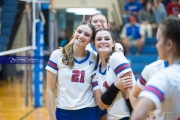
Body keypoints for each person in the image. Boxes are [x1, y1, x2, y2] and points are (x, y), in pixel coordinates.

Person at [46, 22, 100, 120]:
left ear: (91, 40)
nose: (81, 36)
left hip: (89, 112)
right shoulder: (57, 55)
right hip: (63, 112)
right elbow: (50, 89)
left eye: (87, 35)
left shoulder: (95, 59)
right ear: (74, 33)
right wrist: (52, 118)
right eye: (79, 32)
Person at [131, 17, 180, 120]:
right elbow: (133, 94)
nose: (156, 45)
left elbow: (137, 117)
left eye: (158, 40)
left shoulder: (163, 77)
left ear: (169, 44)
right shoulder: (152, 69)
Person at [92, 29, 135, 120]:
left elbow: (129, 91)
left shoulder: (116, 57)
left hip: (128, 116)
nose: (103, 41)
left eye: (107, 39)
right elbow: (101, 105)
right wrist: (115, 86)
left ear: (113, 43)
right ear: (94, 44)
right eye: (99, 39)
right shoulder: (95, 72)